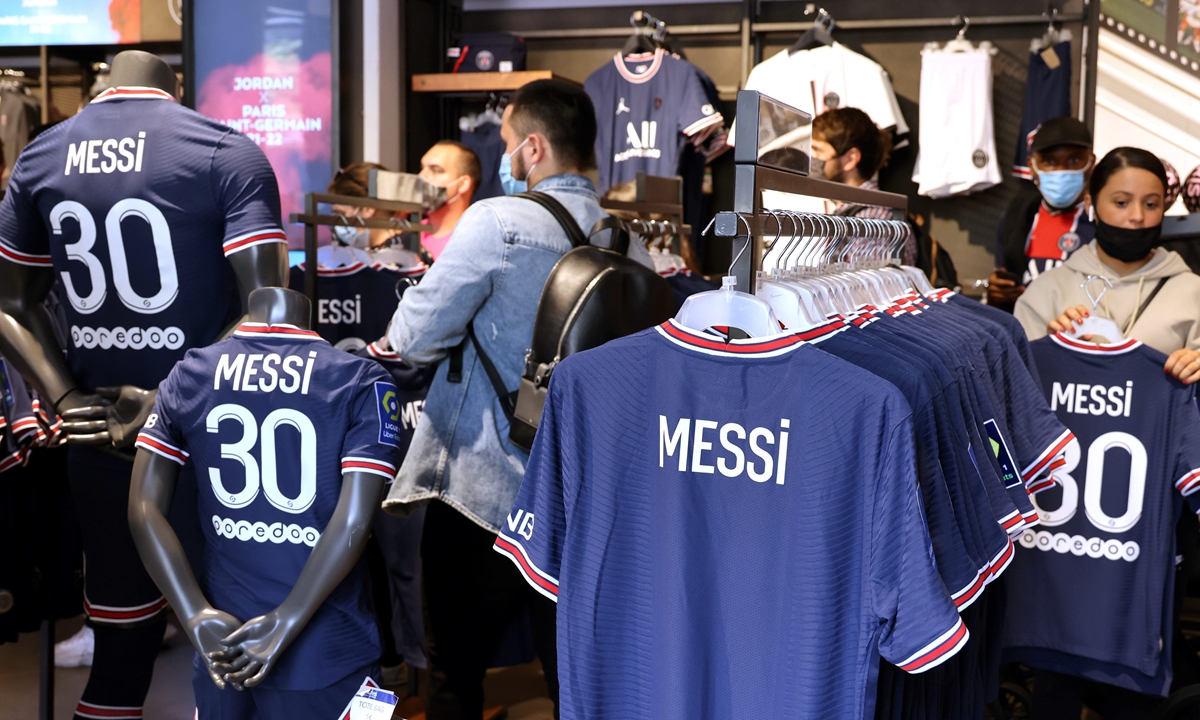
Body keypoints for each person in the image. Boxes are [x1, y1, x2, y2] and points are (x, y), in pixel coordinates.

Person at [382, 78, 651, 720]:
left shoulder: (497, 222)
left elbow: (412, 338)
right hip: (586, 498)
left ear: (532, 149)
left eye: (504, 143)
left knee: (454, 677)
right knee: (575, 678)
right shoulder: (630, 244)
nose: (504, 157)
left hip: (483, 486)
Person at [1015, 146, 1200, 383]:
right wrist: (1049, 352)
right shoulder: (1045, 292)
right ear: (1091, 206)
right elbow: (1019, 389)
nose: (1137, 216)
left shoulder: (1192, 292)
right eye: (1121, 202)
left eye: (1151, 204)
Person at [989, 117, 1096, 310]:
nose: (1062, 171)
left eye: (1074, 160)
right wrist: (997, 293)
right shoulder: (1016, 218)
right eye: (1049, 161)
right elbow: (1003, 279)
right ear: (1032, 166)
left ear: (1091, 162)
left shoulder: (1103, 221)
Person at [418, 140, 481, 259]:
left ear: (462, 184)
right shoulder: (408, 235)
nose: (421, 176)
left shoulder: (477, 240)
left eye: (435, 170)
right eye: (422, 168)